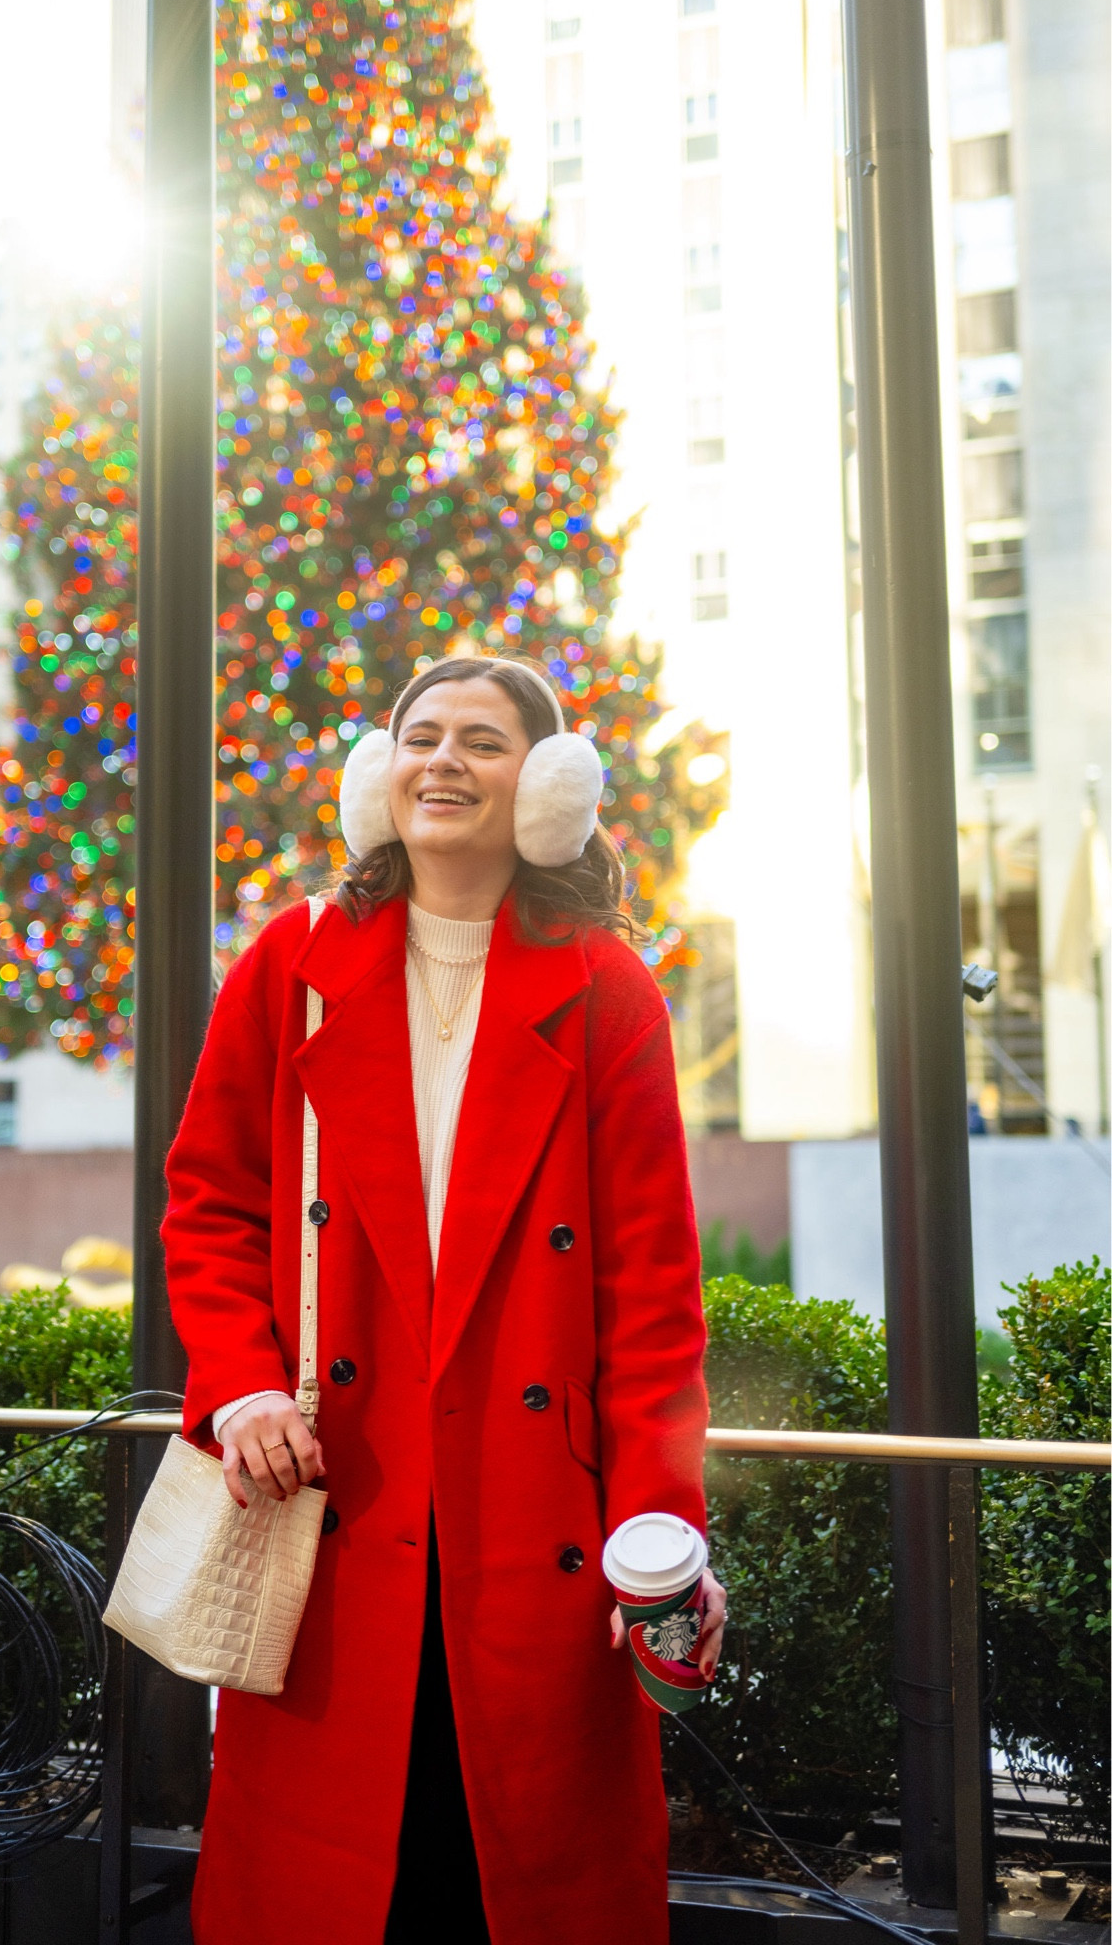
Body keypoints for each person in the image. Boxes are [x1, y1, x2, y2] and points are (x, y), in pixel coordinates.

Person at [163, 654, 725, 1945]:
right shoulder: (293, 962)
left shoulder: (606, 991)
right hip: (333, 1495)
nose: (444, 762)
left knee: (508, 1880)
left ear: (547, 787)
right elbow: (208, 1202)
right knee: (333, 1876)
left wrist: (658, 1535)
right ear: (381, 771)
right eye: (421, 736)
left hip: (533, 1523)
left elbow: (651, 1300)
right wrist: (242, 1383)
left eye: (483, 740)